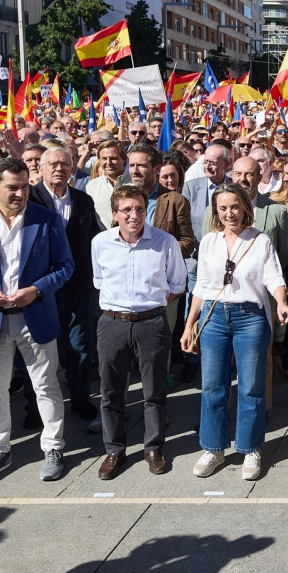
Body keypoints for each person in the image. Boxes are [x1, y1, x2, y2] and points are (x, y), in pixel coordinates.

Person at [0, 157, 75, 485]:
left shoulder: (46, 219)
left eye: (24, 186)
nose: (20, 193)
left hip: (35, 317)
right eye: (12, 187)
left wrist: (36, 290)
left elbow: (65, 266)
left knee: (46, 386)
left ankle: (53, 447)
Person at [180, 183, 288, 481]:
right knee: (213, 386)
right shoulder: (209, 241)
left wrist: (282, 303)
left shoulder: (260, 241)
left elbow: (274, 277)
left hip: (250, 318)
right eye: (223, 208)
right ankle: (214, 448)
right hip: (214, 317)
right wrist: (189, 324)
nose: (229, 213)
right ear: (215, 211)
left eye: (234, 206)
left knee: (251, 387)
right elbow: (202, 286)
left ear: (245, 207)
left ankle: (250, 449)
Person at [91, 185, 188, 479]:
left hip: (151, 323)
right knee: (111, 391)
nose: (134, 216)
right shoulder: (100, 243)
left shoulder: (165, 242)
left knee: (154, 391)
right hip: (112, 323)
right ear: (115, 214)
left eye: (140, 209)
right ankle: (114, 450)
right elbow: (99, 280)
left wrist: (149, 307)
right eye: (127, 210)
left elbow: (177, 284)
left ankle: (153, 448)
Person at [28, 147, 104, 424]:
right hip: (40, 289)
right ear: (41, 168)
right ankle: (35, 407)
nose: (59, 168)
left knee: (79, 347)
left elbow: (95, 239)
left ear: (73, 169)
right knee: (38, 351)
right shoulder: (30, 199)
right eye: (53, 164)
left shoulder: (83, 200)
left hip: (78, 287)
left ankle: (80, 399)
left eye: (64, 164)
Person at [86, 140, 127, 229]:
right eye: (104, 159)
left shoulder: (136, 183)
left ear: (124, 159)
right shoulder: (91, 187)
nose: (108, 163)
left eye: (113, 158)